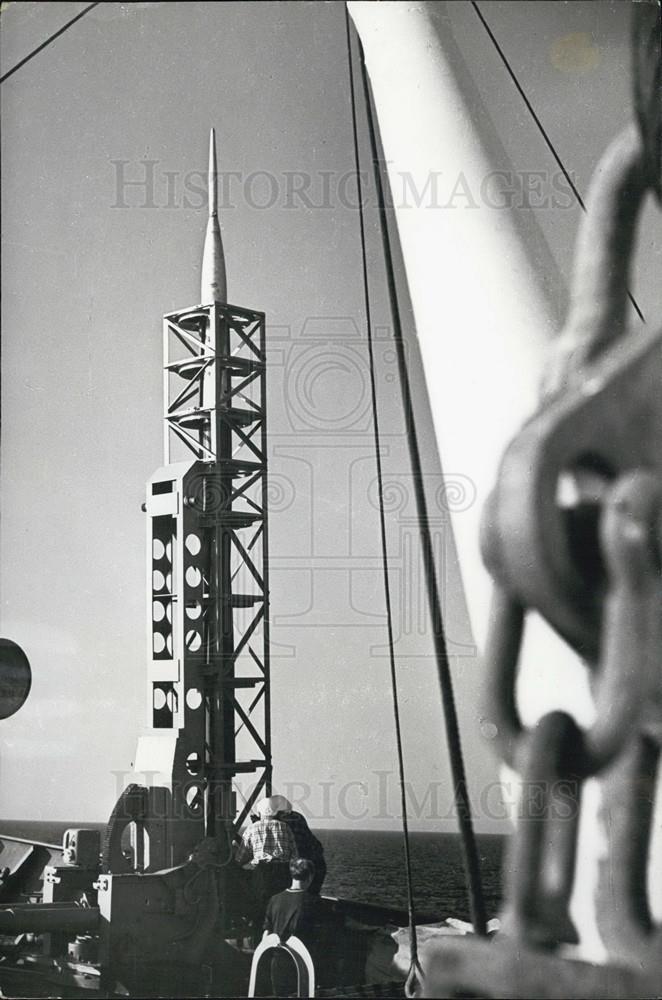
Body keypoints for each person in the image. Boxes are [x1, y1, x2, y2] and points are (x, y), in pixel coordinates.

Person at [263, 856, 335, 996]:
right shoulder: (315, 903)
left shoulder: (274, 899)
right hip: (302, 964)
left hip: (277, 963)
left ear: (292, 875)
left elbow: (266, 935)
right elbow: (324, 938)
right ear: (310, 877)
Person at [234, 796, 297, 924]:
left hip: (262, 874)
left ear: (260, 812)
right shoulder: (285, 827)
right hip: (283, 874)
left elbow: (240, 858)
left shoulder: (252, 828)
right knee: (280, 910)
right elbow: (295, 855)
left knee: (260, 911)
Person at [274, 801, 327, 894]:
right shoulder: (297, 817)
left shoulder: (280, 823)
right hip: (316, 863)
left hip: (304, 865)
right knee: (311, 896)